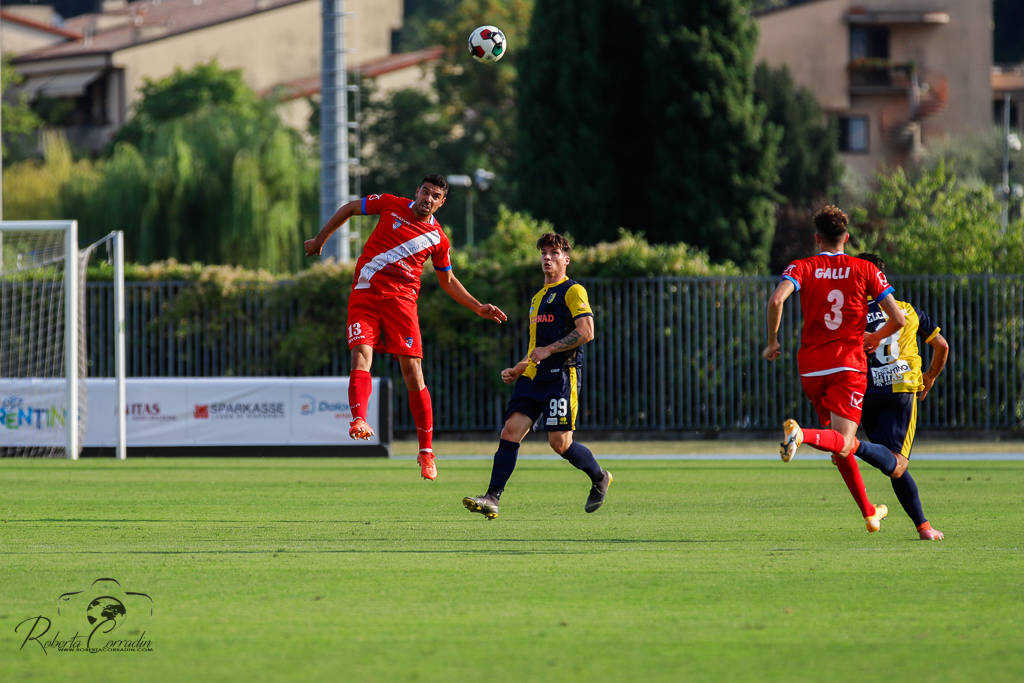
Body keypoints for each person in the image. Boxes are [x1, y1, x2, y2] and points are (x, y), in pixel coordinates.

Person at [304, 174, 507, 480]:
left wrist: (478, 306)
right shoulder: (390, 204)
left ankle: (426, 451)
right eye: (425, 191)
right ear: (417, 190)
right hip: (366, 293)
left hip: (401, 304)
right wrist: (321, 239)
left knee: (412, 373)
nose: (428, 198)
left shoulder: (438, 239)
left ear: (442, 202)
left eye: (435, 195)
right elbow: (348, 208)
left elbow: (448, 281)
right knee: (361, 354)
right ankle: (358, 420)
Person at [762, 205, 907, 533]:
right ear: (847, 237)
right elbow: (898, 319)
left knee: (837, 446)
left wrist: (772, 342)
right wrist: (874, 337)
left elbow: (775, 301)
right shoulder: (864, 269)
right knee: (842, 440)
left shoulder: (803, 267)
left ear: (817, 238)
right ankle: (799, 433)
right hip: (847, 366)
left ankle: (870, 512)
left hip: (811, 368)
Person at [463, 232, 611, 519]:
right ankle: (492, 497)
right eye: (544, 252)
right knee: (510, 432)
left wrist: (551, 349)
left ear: (566, 260)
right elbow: (535, 348)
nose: (547, 257)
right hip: (533, 377)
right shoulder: (537, 298)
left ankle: (599, 477)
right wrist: (518, 368)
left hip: (561, 377)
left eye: (554, 253)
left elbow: (586, 332)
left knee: (560, 443)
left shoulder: (573, 290)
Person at [856, 253, 948, 540]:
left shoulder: (854, 313)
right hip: (901, 390)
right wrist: (930, 376)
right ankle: (851, 445)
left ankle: (923, 526)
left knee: (893, 466)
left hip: (867, 391)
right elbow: (941, 346)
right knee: (898, 463)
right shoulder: (908, 310)